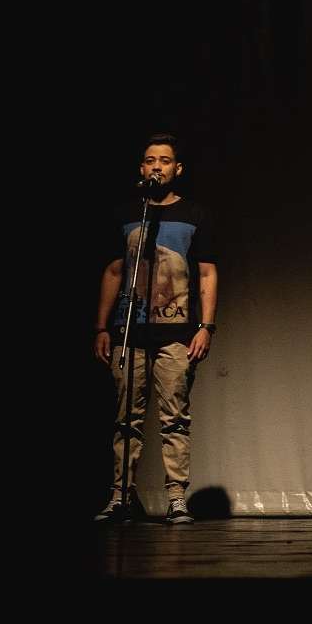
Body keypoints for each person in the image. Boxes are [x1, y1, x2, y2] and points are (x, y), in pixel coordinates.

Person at [93, 133, 219, 524]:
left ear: (177, 169)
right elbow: (114, 270)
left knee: (174, 417)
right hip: (129, 331)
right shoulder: (127, 214)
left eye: (165, 161)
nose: (157, 167)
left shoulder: (194, 214)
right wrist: (102, 327)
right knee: (125, 418)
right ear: (141, 168)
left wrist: (207, 326)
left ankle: (177, 497)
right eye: (150, 160)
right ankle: (120, 497)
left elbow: (207, 272)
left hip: (177, 332)